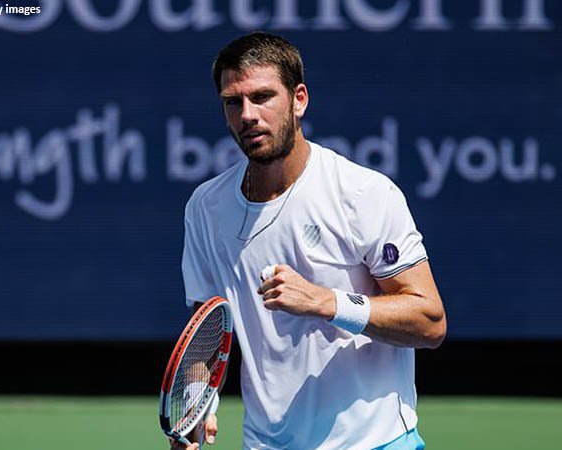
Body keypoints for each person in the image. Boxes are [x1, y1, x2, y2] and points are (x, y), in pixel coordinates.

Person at [174, 32, 446, 450]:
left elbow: (430, 322)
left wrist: (328, 302)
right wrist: (195, 408)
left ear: (299, 99)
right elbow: (206, 331)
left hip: (374, 443)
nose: (248, 114)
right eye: (233, 101)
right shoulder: (205, 208)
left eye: (263, 97)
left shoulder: (363, 194)